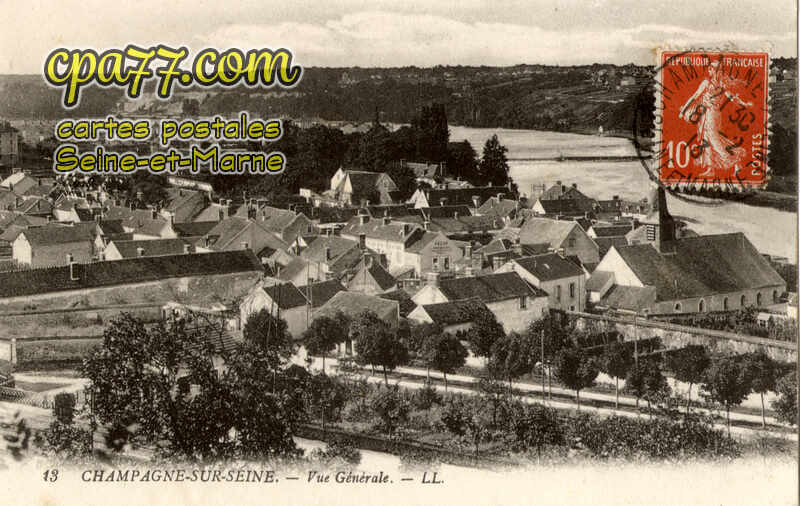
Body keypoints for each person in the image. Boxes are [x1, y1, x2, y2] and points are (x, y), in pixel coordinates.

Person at [678, 59, 753, 177]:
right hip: (715, 114)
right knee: (707, 139)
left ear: (714, 71)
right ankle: (711, 168)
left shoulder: (707, 83)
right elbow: (732, 98)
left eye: (711, 69)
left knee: (713, 139)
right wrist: (744, 104)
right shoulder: (722, 84)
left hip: (710, 114)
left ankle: (733, 159)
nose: (709, 70)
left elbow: (694, 97)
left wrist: (683, 110)